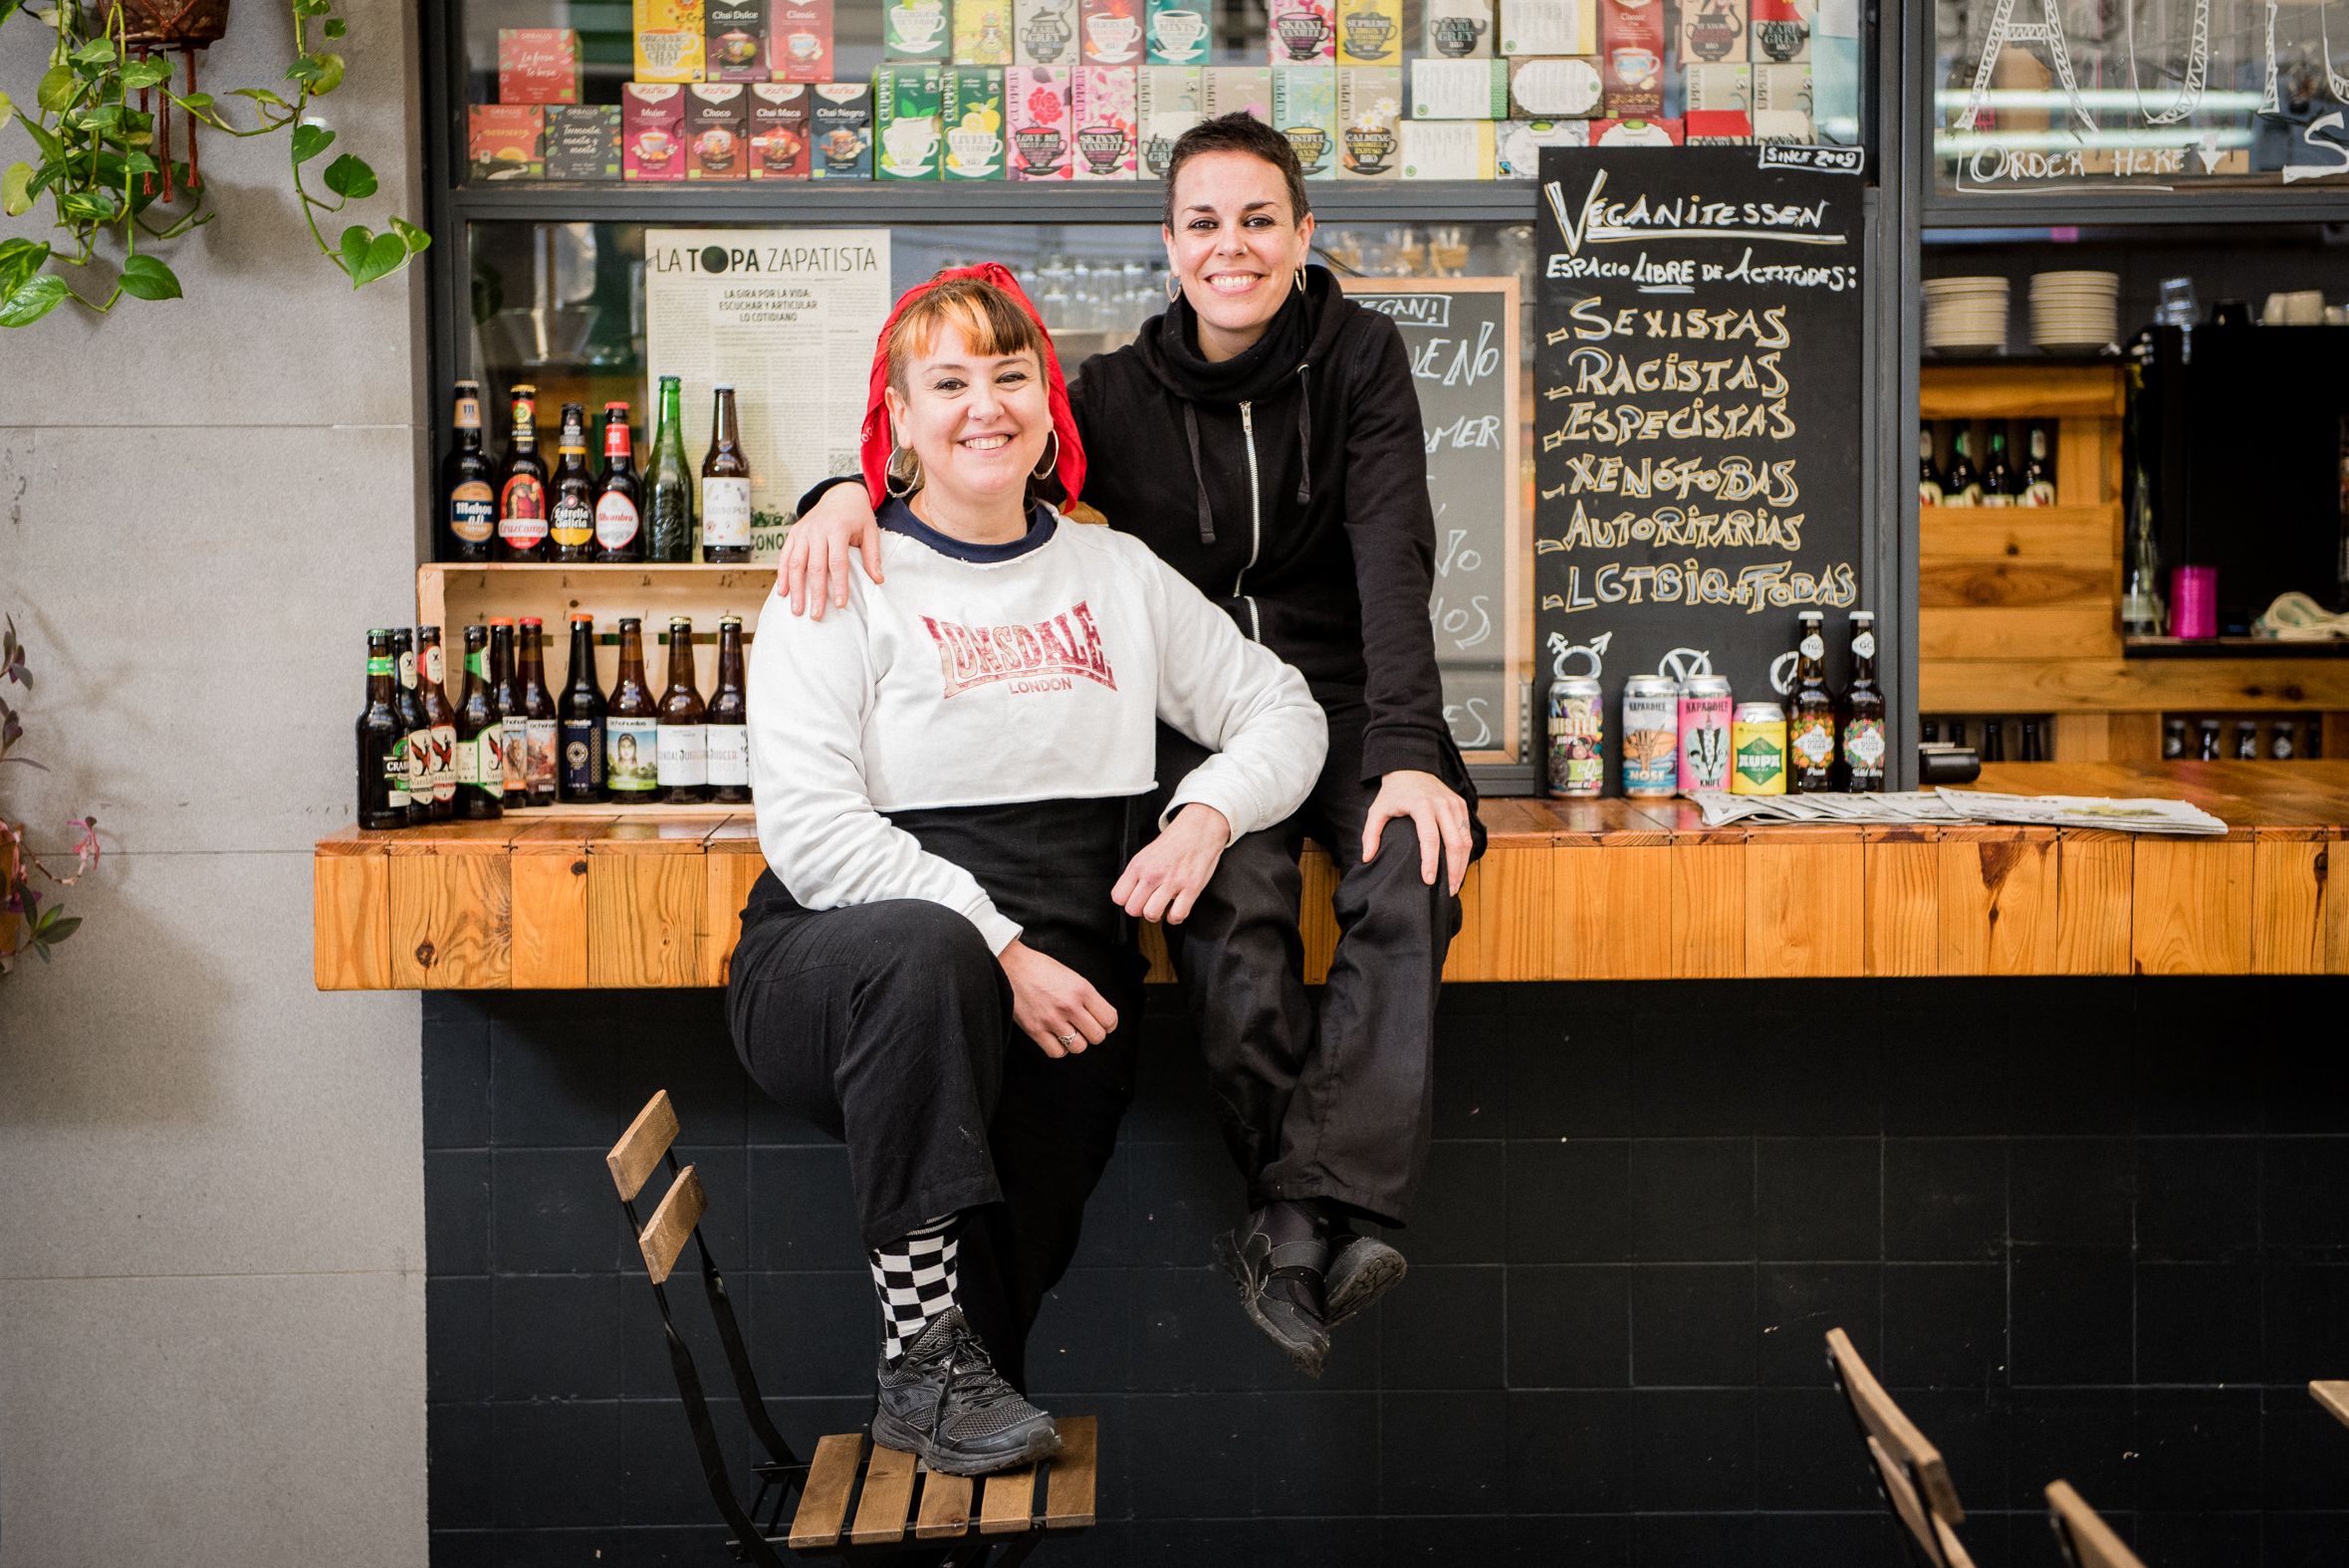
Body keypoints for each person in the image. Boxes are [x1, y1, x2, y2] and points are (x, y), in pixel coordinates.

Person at [779, 113, 1483, 1378]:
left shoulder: (1362, 357)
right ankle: (1293, 1208)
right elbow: (961, 450)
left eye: (1260, 219)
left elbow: (1396, 556)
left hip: (1351, 692)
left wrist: (1414, 748)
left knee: (1409, 863)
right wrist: (837, 492)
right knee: (1230, 898)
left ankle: (1313, 1204)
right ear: (1167, 246)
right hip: (1194, 726)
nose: (1233, 246)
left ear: (1304, 234)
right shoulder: (1104, 390)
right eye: (1204, 222)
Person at [729, 266, 1326, 1475]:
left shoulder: (1116, 578)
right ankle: (917, 1362)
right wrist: (1000, 952)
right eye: (947, 382)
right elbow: (808, 828)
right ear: (898, 419)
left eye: (1009, 376)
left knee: (990, 1362)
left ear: (1049, 404)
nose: (983, 405)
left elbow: (1284, 709)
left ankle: (934, 1420)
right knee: (925, 948)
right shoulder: (834, 582)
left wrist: (1204, 812)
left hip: (1069, 1009)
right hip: (844, 973)